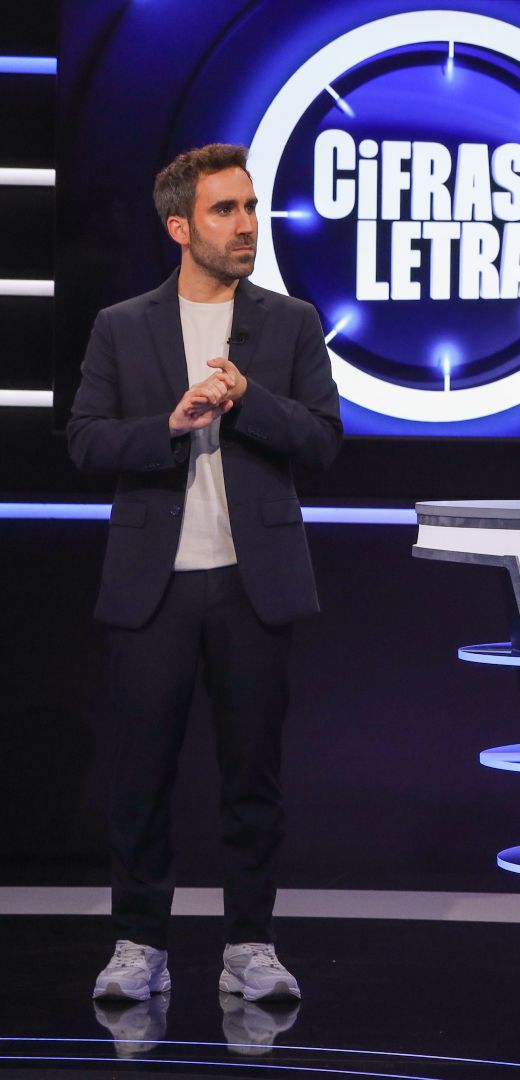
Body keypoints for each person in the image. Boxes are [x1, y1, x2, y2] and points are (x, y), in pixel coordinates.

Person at [68, 144, 343, 1002]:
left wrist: (250, 400)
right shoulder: (122, 325)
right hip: (154, 585)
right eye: (226, 210)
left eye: (251, 207)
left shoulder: (291, 322)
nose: (247, 225)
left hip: (252, 584)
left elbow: (323, 441)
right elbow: (85, 441)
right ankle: (138, 945)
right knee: (141, 777)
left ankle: (250, 946)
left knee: (252, 777)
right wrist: (170, 424)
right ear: (180, 226)